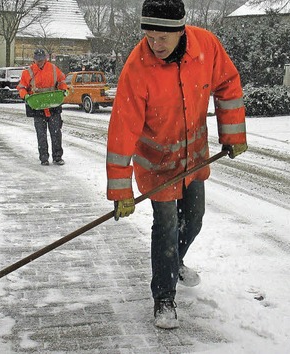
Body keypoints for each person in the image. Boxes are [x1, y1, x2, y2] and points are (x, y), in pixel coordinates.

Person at [105, 0, 247, 329]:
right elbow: (122, 128)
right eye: (149, 37)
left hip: (193, 156)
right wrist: (120, 189)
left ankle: (175, 262)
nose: (154, 45)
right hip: (157, 164)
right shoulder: (137, 67)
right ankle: (164, 297)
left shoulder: (206, 47)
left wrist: (233, 132)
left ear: (180, 30)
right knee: (166, 227)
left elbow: (228, 84)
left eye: (162, 38)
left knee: (194, 219)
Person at [17, 49, 69, 165]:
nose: (40, 62)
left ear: (45, 59)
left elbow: (61, 81)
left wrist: (64, 89)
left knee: (56, 134)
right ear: (34, 60)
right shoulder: (28, 72)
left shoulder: (53, 69)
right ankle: (44, 158)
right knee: (41, 135)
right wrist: (25, 96)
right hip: (37, 107)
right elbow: (21, 87)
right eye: (38, 60)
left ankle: (57, 157)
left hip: (53, 106)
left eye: (42, 60)